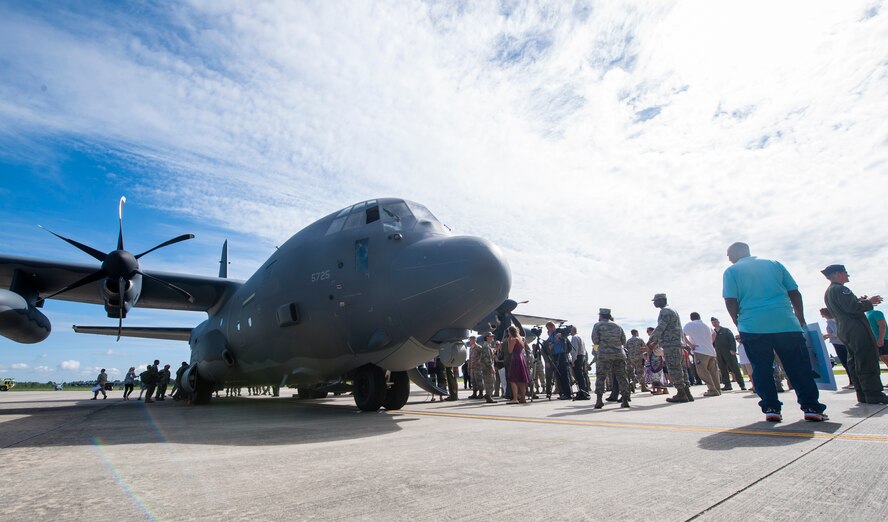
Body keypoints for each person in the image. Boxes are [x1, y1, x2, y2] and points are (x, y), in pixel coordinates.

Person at [723, 242, 827, 422]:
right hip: (785, 323)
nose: (728, 258)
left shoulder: (732, 271)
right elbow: (794, 292)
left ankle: (771, 407)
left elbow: (730, 300)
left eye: (728, 255)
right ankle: (811, 407)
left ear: (735, 254)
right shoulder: (774, 264)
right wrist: (799, 316)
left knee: (761, 368)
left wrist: (738, 321)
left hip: (753, 326)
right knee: (798, 367)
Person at [822, 264, 888, 404]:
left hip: (845, 328)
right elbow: (853, 308)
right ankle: (874, 393)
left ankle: (863, 393)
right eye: (845, 272)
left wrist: (860, 300)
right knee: (866, 359)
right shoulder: (841, 289)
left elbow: (846, 307)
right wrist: (868, 302)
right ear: (837, 273)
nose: (847, 275)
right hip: (856, 328)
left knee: (855, 361)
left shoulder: (830, 291)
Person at [649, 294, 693, 404]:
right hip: (677, 344)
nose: (654, 303)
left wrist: (651, 340)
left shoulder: (665, 311)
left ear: (661, 301)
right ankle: (687, 393)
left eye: (655, 301)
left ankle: (681, 394)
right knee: (681, 369)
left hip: (671, 345)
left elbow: (661, 327)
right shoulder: (673, 310)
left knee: (674, 368)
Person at [591, 308, 630, 408]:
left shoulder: (598, 325)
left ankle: (599, 400)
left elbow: (595, 340)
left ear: (601, 315)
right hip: (619, 354)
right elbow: (623, 340)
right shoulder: (617, 326)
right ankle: (625, 400)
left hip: (604, 354)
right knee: (622, 377)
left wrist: (597, 350)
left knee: (601, 377)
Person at [683, 312, 721, 397]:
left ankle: (712, 389)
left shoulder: (690, 325)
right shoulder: (706, 325)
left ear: (691, 318)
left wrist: (690, 344)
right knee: (713, 371)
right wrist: (710, 342)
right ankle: (717, 389)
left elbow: (682, 335)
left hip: (700, 351)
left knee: (702, 371)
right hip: (711, 351)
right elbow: (714, 333)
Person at [820, 308, 853, 389]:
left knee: (845, 362)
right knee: (847, 362)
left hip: (838, 343)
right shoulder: (835, 320)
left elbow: (837, 333)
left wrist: (827, 335)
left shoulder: (830, 321)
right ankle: (853, 381)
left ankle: (852, 381)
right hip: (842, 342)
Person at [711, 317, 746, 391]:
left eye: (715, 322)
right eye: (713, 322)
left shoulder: (726, 330)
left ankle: (742, 384)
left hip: (728, 352)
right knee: (722, 369)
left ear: (718, 322)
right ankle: (727, 385)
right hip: (719, 353)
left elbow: (732, 340)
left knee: (735, 368)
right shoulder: (713, 332)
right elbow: (712, 342)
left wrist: (733, 349)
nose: (714, 323)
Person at [546, 321, 572, 400]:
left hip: (561, 354)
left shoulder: (559, 331)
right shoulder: (551, 335)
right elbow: (550, 345)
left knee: (564, 374)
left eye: (548, 328)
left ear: (552, 327)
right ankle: (562, 393)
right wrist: (550, 346)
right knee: (558, 375)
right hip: (555, 355)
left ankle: (568, 393)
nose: (548, 330)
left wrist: (561, 335)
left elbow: (568, 330)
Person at [506, 326, 531, 403]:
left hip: (515, 359)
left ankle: (515, 398)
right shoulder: (520, 339)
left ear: (510, 332)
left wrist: (509, 341)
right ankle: (523, 398)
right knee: (521, 380)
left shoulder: (513, 340)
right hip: (521, 358)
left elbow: (510, 351)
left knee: (512, 379)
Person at [569, 326, 590, 400]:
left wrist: (573, 360)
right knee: (582, 374)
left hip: (578, 357)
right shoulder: (580, 337)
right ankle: (585, 390)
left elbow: (575, 349)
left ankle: (582, 392)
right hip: (582, 356)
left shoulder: (574, 338)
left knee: (579, 375)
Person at [478, 333, 497, 403]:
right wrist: (491, 367)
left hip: (487, 367)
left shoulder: (488, 346)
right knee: (490, 382)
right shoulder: (486, 346)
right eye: (491, 336)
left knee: (490, 381)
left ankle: (488, 395)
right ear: (487, 337)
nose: (492, 337)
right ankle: (488, 396)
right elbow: (487, 358)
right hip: (487, 368)